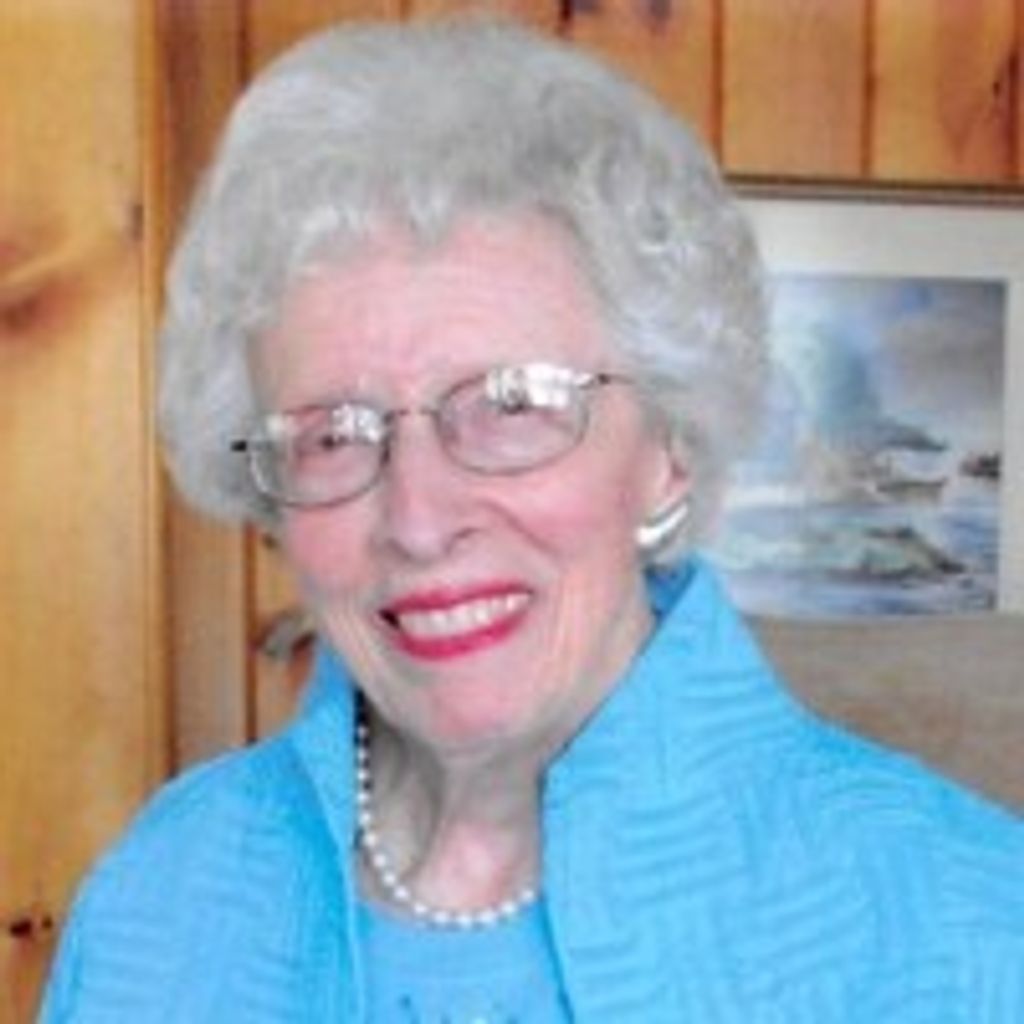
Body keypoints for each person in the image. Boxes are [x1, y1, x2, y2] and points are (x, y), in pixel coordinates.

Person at [42, 17, 1023, 1023]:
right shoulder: (160, 899)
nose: (418, 519)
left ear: (669, 447)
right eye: (333, 432)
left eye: (511, 404)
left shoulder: (971, 931)